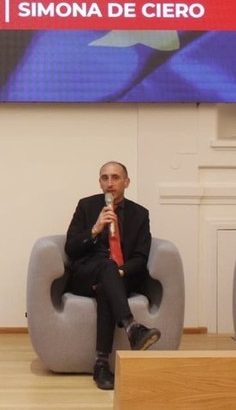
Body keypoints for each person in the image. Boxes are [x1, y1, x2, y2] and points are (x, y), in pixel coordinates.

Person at [64, 161, 161, 390]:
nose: (110, 183)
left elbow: (140, 257)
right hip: (86, 275)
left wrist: (119, 273)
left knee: (106, 286)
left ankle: (101, 365)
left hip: (119, 277)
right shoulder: (86, 207)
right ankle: (132, 327)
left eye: (115, 178)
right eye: (104, 178)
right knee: (106, 268)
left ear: (126, 182)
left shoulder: (139, 214)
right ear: (99, 182)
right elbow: (71, 248)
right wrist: (95, 229)